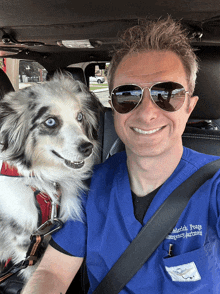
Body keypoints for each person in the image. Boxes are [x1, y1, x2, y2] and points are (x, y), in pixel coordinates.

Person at [22, 17, 220, 294]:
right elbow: (53, 272)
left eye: (167, 94)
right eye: (128, 95)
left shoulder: (214, 185)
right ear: (113, 107)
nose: (147, 113)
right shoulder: (88, 188)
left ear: (189, 106)